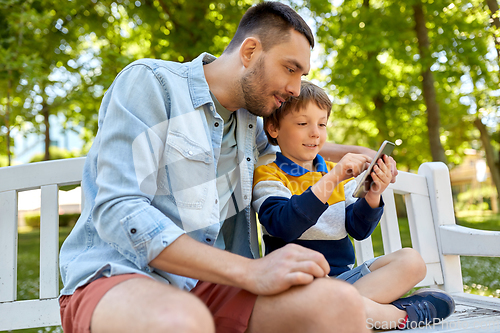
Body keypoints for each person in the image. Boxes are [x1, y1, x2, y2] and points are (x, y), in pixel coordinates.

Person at [58, 2, 393, 333]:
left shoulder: (249, 124)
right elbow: (119, 210)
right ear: (249, 52)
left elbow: (297, 143)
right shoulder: (152, 84)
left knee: (340, 305)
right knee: (182, 322)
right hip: (122, 276)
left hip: (216, 287)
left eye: (301, 75)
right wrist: (249, 272)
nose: (294, 89)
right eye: (290, 69)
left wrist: (366, 155)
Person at [252, 80, 455, 330]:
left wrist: (372, 196)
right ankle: (398, 316)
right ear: (273, 128)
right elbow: (284, 225)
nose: (315, 132)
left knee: (412, 261)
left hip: (346, 282)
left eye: (322, 124)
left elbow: (358, 230)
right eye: (303, 123)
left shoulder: (333, 175)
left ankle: (350, 312)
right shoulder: (270, 176)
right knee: (324, 304)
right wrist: (333, 178)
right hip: (299, 288)